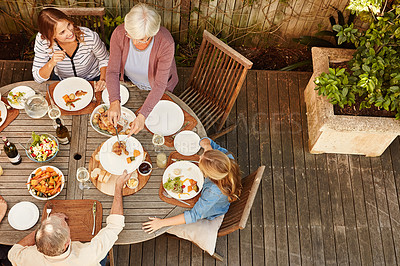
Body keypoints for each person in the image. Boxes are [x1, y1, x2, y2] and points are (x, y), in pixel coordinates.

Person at [7, 171, 131, 266]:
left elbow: (13, 252)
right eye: (65, 226)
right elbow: (115, 225)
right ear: (67, 243)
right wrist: (118, 186)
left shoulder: (26, 258)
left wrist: (45, 227)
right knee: (103, 254)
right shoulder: (88, 255)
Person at [142, 137, 242, 255]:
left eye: (201, 161)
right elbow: (206, 140)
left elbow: (194, 215)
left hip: (210, 211)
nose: (199, 157)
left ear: (209, 175)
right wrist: (207, 147)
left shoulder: (213, 191)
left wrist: (161, 223)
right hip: (213, 198)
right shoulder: (227, 158)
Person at [106, 3, 178, 134]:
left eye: (141, 39)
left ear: (153, 33)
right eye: (131, 36)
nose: (135, 43)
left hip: (157, 90)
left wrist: (142, 115)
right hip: (130, 85)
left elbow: (160, 84)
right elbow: (112, 71)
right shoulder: (119, 33)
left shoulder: (166, 43)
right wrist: (114, 101)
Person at [32, 8, 109, 91]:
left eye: (68, 25)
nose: (70, 33)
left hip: (93, 78)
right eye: (62, 32)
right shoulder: (43, 41)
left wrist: (103, 79)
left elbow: (104, 59)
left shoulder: (90, 37)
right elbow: (38, 78)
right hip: (63, 80)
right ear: (51, 36)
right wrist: (51, 63)